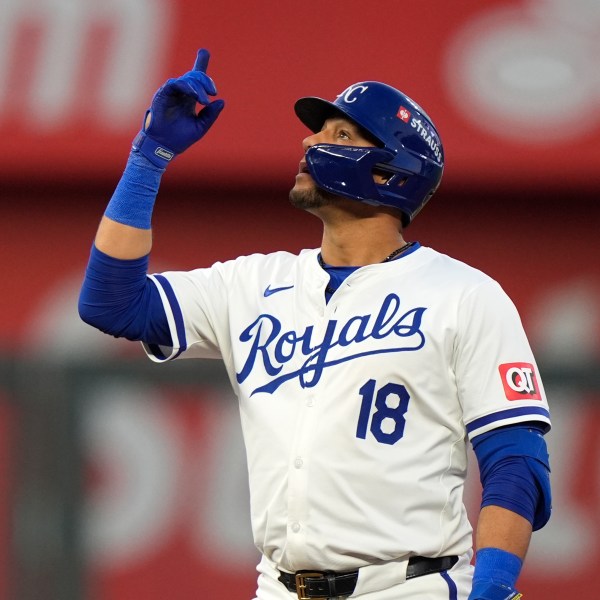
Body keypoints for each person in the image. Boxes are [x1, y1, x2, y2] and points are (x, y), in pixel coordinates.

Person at [79, 49, 552, 600]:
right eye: (319, 131)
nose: (310, 142)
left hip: (408, 587)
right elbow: (111, 304)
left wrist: (493, 588)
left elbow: (517, 463)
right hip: (280, 589)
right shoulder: (253, 284)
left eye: (343, 135)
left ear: (390, 171)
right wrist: (149, 156)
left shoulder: (465, 295)